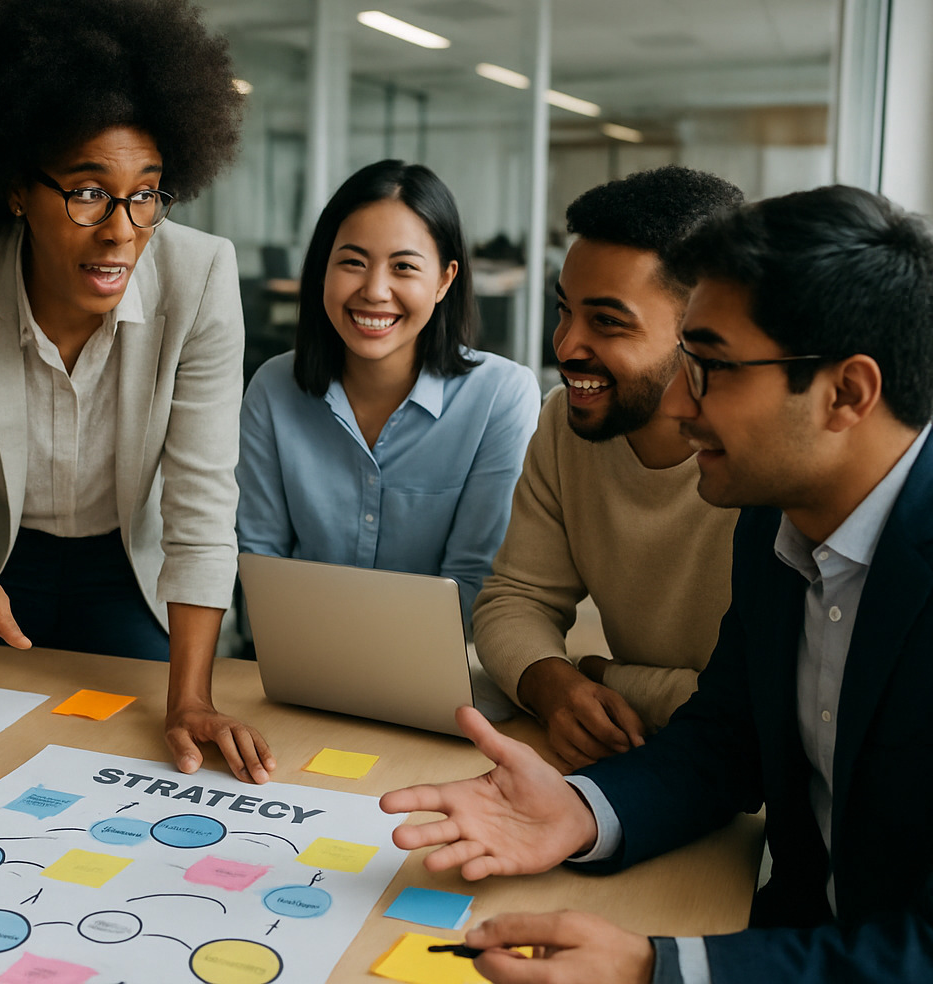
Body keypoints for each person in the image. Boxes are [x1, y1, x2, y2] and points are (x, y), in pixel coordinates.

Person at [381, 185, 933, 983]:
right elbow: (727, 738)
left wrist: (660, 970)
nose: (679, 399)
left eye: (709, 366)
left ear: (847, 393)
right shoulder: (774, 522)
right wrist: (579, 811)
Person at [0, 0, 273, 784]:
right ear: (19, 189)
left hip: (126, 568)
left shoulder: (200, 277)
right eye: (90, 193)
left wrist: (193, 695)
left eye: (145, 197)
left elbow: (203, 506)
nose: (121, 233)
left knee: (137, 770)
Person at [473, 167, 744, 768]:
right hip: (643, 763)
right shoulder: (564, 422)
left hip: (745, 787)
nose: (566, 345)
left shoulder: (761, 461)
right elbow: (515, 598)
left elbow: (757, 707)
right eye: (564, 310)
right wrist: (557, 686)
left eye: (608, 321)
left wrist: (609, 675)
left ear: (704, 330)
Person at [236, 160, 539, 617]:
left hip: (444, 675)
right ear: (322, 269)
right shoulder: (274, 389)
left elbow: (474, 580)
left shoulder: (501, 396)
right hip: (299, 667)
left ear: (444, 280)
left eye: (403, 267)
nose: (375, 290)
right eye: (353, 263)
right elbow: (260, 563)